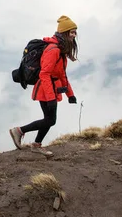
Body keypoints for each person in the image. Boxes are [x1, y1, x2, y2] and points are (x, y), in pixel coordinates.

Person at [9, 15, 79, 156]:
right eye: (72, 32)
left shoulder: (61, 50)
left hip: (52, 88)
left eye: (75, 32)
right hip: (45, 88)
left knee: (49, 119)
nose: (74, 35)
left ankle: (36, 144)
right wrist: (51, 97)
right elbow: (45, 74)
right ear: (65, 33)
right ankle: (19, 131)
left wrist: (70, 94)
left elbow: (62, 74)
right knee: (50, 119)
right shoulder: (53, 50)